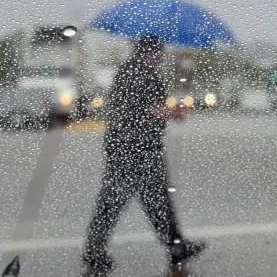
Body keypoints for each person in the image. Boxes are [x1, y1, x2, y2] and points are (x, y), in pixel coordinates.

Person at [82, 36, 205, 273]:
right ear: (152, 52)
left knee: (139, 202)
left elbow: (130, 108)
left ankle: (175, 248)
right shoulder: (142, 73)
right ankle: (95, 253)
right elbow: (147, 109)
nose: (161, 57)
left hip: (124, 148)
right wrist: (175, 112)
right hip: (139, 150)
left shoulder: (127, 71)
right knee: (136, 202)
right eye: (160, 52)